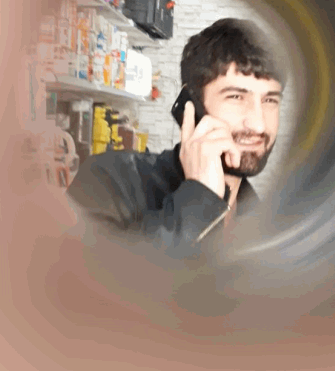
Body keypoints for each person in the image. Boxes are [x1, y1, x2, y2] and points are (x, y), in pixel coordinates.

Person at [66, 18, 285, 251]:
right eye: (236, 97)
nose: (259, 125)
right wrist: (200, 199)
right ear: (191, 105)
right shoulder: (108, 181)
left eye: (270, 100)